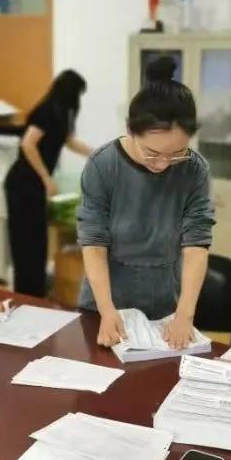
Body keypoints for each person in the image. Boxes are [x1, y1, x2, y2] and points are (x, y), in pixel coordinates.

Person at [77, 56, 214, 349]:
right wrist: (107, 310)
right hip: (104, 305)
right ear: (130, 129)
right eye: (152, 152)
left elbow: (196, 245)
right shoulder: (103, 166)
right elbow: (94, 244)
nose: (163, 164)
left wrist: (185, 314)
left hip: (164, 307)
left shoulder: (194, 170)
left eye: (176, 153)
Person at [5, 70, 91, 296]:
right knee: (25, 242)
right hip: (22, 184)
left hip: (34, 186)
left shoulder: (61, 113)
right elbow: (28, 144)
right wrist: (46, 177)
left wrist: (97, 153)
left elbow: (69, 142)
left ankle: (35, 292)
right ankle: (25, 293)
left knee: (37, 242)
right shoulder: (46, 111)